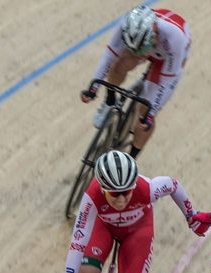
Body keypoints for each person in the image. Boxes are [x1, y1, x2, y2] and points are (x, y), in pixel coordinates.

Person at [57, 149, 203, 273]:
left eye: (126, 192)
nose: (121, 199)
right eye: (114, 193)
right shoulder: (92, 196)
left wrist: (191, 215)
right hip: (104, 227)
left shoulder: (146, 188)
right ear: (102, 188)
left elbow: (173, 185)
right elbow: (78, 243)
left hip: (137, 231)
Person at [81, 5, 191, 158]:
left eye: (142, 49)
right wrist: (94, 88)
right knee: (119, 64)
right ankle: (109, 100)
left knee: (144, 114)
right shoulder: (126, 26)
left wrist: (150, 113)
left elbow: (167, 82)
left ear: (155, 35)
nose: (140, 55)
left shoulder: (175, 39)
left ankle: (130, 159)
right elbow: (109, 57)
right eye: (136, 50)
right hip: (143, 42)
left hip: (168, 58)